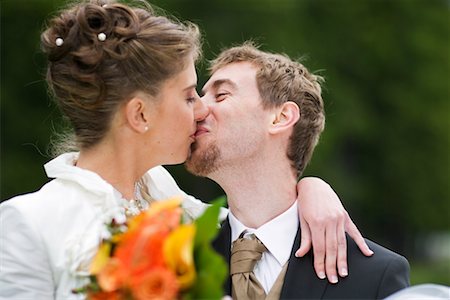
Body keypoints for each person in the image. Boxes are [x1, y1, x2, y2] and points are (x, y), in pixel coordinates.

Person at [0, 1, 371, 299]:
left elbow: (257, 218)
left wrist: (311, 188)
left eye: (209, 94)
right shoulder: (29, 223)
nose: (201, 109)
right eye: (189, 95)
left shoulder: (172, 203)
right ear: (140, 114)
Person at [184, 42, 411, 299]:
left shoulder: (374, 276)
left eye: (222, 95)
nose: (198, 109)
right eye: (200, 97)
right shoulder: (181, 263)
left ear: (281, 118)